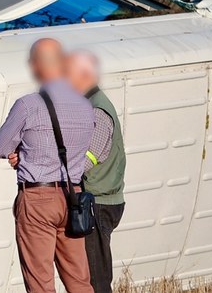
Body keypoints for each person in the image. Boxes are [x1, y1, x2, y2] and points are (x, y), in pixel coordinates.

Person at [0, 38, 113, 293]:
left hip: (37, 198)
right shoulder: (85, 106)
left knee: (40, 282)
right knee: (79, 280)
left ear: (37, 67)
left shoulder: (28, 105)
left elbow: (0, 147)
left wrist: (21, 154)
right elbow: (91, 150)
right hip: (73, 198)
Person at [66, 51, 126, 293]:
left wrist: (51, 169)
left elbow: (88, 158)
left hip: (97, 203)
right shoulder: (91, 105)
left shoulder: (99, 111)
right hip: (98, 201)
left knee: (96, 278)